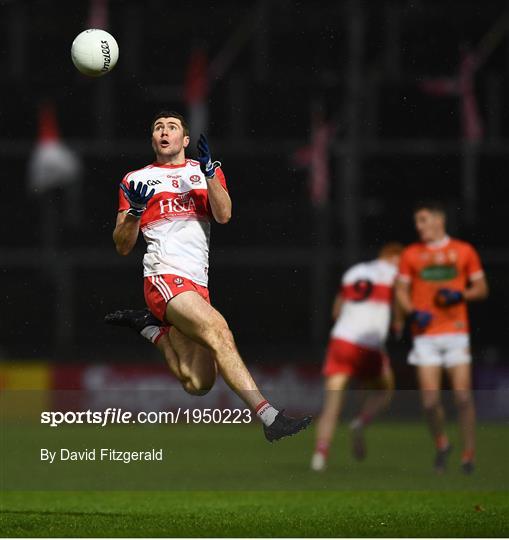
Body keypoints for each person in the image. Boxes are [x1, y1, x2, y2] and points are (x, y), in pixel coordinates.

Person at [105, 110, 311, 442]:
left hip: (197, 284)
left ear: (185, 140)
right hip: (164, 276)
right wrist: (135, 214)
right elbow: (122, 245)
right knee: (219, 332)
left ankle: (151, 330)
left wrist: (211, 174)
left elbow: (224, 215)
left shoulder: (203, 173)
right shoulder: (135, 180)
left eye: (172, 127)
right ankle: (271, 417)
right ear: (153, 139)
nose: (164, 131)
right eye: (158, 127)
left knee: (198, 383)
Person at [395, 201, 488, 474]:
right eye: (417, 221)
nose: (418, 226)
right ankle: (442, 443)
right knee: (430, 402)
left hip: (456, 332)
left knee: (462, 397)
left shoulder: (463, 251)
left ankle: (468, 455)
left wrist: (460, 295)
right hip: (425, 336)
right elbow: (400, 290)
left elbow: (481, 288)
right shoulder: (411, 254)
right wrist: (413, 312)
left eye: (423, 220)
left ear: (439, 220)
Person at [310, 243, 404, 472]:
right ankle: (361, 420)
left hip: (341, 341)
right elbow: (401, 300)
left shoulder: (354, 272)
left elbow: (336, 311)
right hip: (369, 346)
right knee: (384, 389)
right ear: (394, 257)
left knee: (332, 404)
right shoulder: (395, 273)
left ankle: (319, 456)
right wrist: (398, 321)